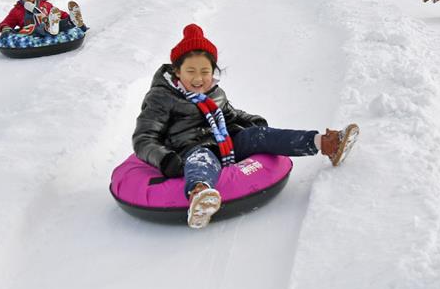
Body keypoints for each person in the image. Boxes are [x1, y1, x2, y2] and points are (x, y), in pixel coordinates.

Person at [131, 24, 360, 229]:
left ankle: (326, 143)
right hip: (190, 148)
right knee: (202, 158)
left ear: (213, 72)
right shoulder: (162, 97)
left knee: (257, 134)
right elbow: (144, 137)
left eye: (205, 71)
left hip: (226, 143)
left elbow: (231, 114)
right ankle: (200, 196)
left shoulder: (215, 93)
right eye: (191, 71)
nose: (199, 78)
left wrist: (252, 120)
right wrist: (165, 159)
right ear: (177, 71)